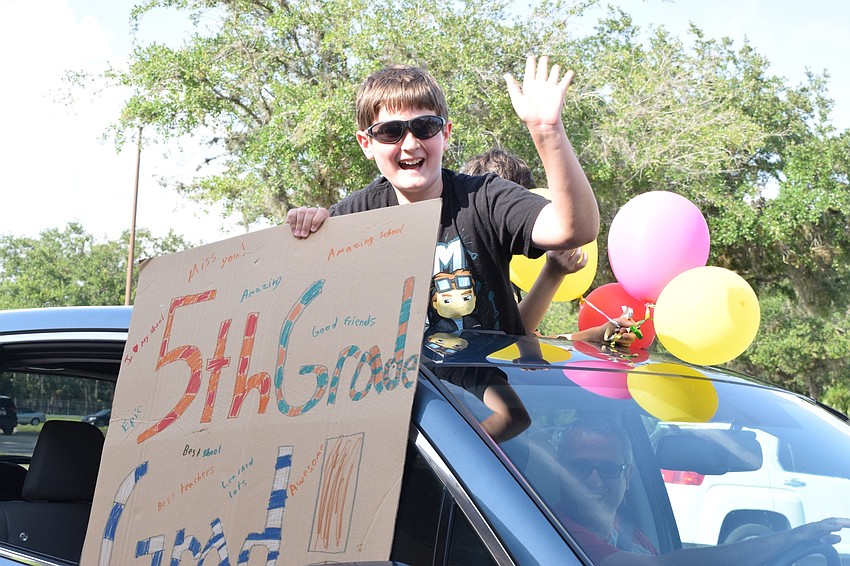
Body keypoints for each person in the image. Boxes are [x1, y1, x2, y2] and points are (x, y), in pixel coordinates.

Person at [286, 55, 600, 336]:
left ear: (445, 134)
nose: (409, 144)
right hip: (396, 393)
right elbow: (300, 307)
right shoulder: (353, 217)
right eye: (390, 131)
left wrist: (548, 133)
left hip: (481, 391)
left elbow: (577, 229)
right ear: (366, 144)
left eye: (424, 126)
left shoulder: (484, 198)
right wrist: (306, 231)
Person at [555, 417, 850, 565]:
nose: (594, 481)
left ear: (628, 475)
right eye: (580, 467)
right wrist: (791, 537)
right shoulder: (558, 533)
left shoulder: (624, 530)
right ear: (560, 468)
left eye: (608, 470)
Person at [460, 148, 637, 345]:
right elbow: (508, 340)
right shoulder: (464, 272)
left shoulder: (508, 276)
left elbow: (527, 338)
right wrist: (553, 274)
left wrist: (597, 334)